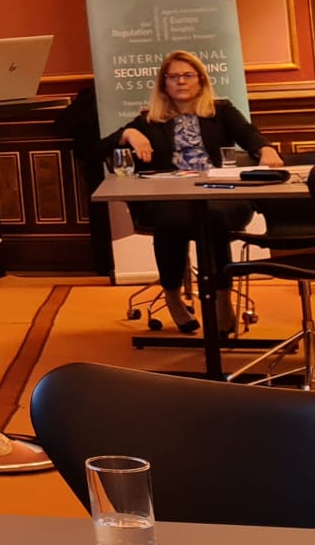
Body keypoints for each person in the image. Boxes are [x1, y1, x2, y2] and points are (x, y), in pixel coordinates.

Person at [101, 50, 281, 333]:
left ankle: (222, 299)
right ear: (164, 84)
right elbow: (96, 150)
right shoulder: (150, 120)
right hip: (169, 198)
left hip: (219, 194)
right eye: (173, 77)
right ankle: (173, 297)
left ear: (201, 80)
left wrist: (266, 149)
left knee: (212, 216)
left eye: (187, 75)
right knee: (172, 219)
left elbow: (249, 134)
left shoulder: (221, 111)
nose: (181, 82)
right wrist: (127, 134)